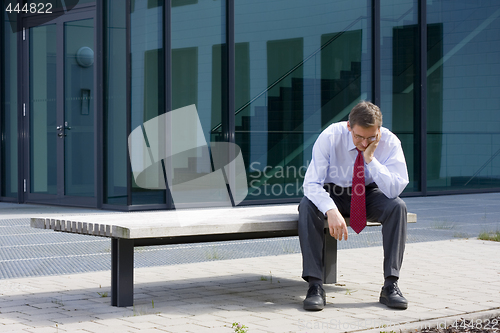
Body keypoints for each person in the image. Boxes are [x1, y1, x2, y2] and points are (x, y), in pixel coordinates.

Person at [298, 100, 409, 311]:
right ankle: (315, 285)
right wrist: (330, 209)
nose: (364, 143)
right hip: (334, 192)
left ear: (379, 130)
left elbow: (394, 189)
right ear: (349, 126)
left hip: (368, 193)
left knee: (397, 207)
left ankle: (390, 285)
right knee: (307, 206)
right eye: (358, 136)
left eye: (371, 137)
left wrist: (370, 160)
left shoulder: (391, 142)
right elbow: (311, 184)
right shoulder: (330, 136)